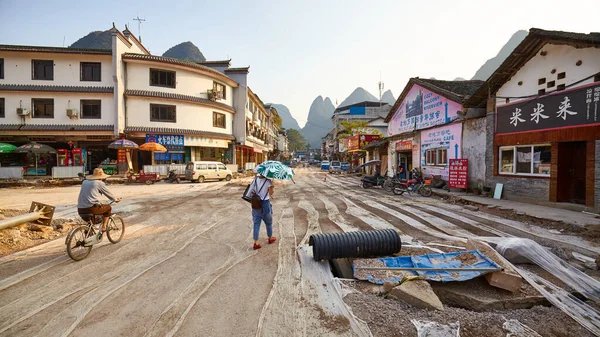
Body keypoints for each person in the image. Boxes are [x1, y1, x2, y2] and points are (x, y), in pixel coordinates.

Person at [246, 174, 275, 249]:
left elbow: (252, 190)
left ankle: (256, 242)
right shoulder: (268, 181)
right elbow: (271, 193)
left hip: (256, 203)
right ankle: (270, 238)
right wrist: (272, 187)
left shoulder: (255, 179)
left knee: (256, 223)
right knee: (268, 222)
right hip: (265, 203)